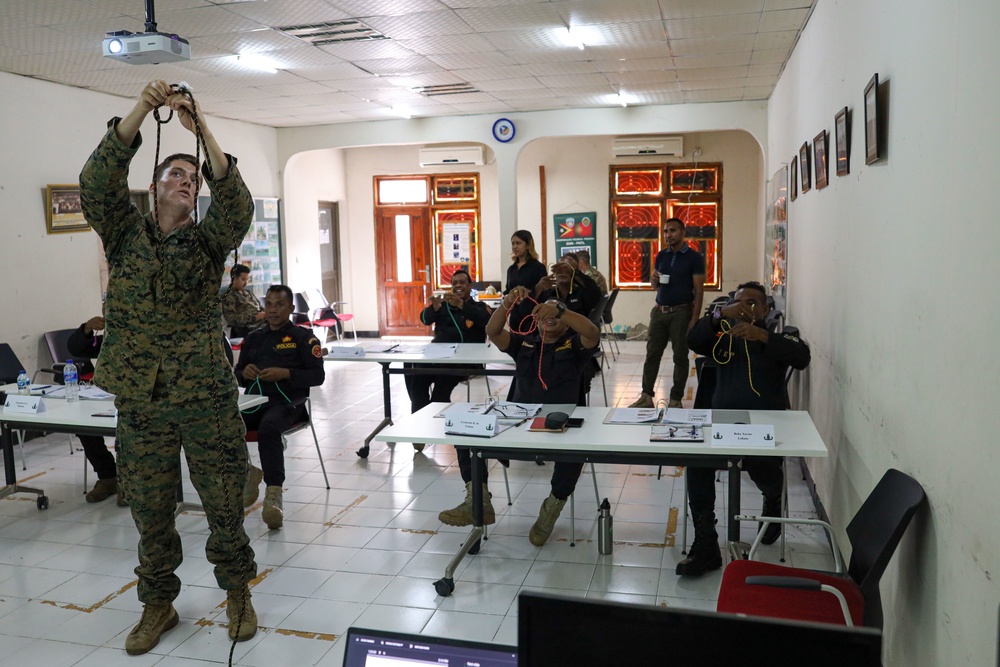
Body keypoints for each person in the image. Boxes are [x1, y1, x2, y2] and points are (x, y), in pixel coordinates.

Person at [79, 80, 258, 654]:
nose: (184, 182)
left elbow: (237, 204)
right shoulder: (123, 233)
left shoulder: (209, 244)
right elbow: (96, 181)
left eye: (192, 178)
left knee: (224, 503)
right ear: (154, 186)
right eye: (174, 175)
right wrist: (142, 110)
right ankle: (158, 605)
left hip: (204, 400)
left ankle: (237, 593)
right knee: (151, 513)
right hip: (142, 404)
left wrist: (199, 127)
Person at [676, 281, 811, 576]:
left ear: (765, 309)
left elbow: (802, 357)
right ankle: (706, 542)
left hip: (764, 426)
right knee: (696, 463)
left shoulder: (773, 342)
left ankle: (773, 498)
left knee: (760, 464)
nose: (745, 308)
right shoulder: (722, 338)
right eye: (739, 302)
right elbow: (693, 340)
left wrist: (762, 335)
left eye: (752, 303)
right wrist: (721, 314)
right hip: (722, 422)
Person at [484, 285, 600, 546]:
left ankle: (553, 504)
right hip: (519, 426)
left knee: (575, 453)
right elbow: (492, 331)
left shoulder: (573, 345)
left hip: (561, 428)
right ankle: (477, 499)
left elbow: (592, 332)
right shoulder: (523, 343)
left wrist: (560, 309)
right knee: (469, 437)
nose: (549, 317)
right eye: (544, 312)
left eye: (555, 316)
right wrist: (508, 302)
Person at [235, 285, 325, 530]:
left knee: (269, 428)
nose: (273, 310)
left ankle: (273, 495)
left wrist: (286, 373)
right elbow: (238, 373)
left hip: (289, 402)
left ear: (291, 308)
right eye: (269, 304)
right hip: (256, 401)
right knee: (225, 423)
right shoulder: (253, 338)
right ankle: (247, 471)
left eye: (279, 305)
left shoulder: (303, 338)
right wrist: (246, 372)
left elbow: (317, 376)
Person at [408, 270, 490, 456]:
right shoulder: (443, 307)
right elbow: (424, 319)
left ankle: (433, 425)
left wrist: (461, 305)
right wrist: (432, 308)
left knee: (442, 386)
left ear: (470, 286)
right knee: (415, 377)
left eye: (462, 282)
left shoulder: (478, 307)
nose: (458, 286)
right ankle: (421, 426)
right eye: (454, 283)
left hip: (465, 361)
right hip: (437, 356)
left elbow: (487, 320)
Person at [629, 218, 705, 409]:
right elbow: (656, 286)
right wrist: (653, 280)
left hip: (681, 313)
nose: (668, 235)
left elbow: (699, 291)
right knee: (652, 355)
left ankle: (676, 398)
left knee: (680, 356)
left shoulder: (694, 258)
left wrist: (695, 318)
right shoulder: (661, 256)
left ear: (682, 232)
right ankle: (646, 396)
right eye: (665, 231)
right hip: (659, 312)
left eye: (672, 230)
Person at [67, 314, 126, 505]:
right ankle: (108, 477)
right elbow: (76, 349)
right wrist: (86, 329)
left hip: (145, 396)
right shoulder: (112, 336)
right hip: (106, 393)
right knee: (83, 424)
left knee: (131, 430)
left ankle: (131, 483)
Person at [504, 230, 547, 330]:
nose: (515, 246)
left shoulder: (538, 267)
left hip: (532, 316)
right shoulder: (511, 269)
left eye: (518, 243)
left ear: (528, 245)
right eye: (513, 244)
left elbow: (544, 294)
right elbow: (507, 290)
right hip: (515, 316)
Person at [223, 264, 266, 339]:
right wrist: (254, 317)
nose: (246, 283)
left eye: (247, 279)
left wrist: (267, 313)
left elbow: (260, 307)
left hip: (262, 323)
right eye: (243, 279)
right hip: (249, 328)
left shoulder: (248, 293)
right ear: (234, 278)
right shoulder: (229, 296)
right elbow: (231, 319)